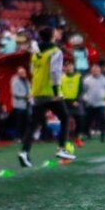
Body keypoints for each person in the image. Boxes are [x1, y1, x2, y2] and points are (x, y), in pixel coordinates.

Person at [19, 27, 75, 167]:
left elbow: (33, 70)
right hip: (49, 92)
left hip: (37, 92)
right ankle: (62, 149)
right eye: (55, 32)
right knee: (65, 117)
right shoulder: (55, 51)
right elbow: (55, 72)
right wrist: (57, 92)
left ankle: (24, 152)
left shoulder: (35, 52)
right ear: (52, 36)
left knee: (33, 125)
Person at [83, 63, 105, 143]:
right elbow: (83, 91)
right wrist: (86, 98)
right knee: (88, 120)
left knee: (103, 119)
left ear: (100, 70)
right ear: (91, 71)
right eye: (94, 70)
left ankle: (103, 136)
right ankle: (87, 134)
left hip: (101, 103)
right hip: (90, 104)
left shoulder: (104, 79)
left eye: (97, 69)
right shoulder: (86, 80)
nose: (95, 71)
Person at [60, 60, 86, 146]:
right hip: (65, 102)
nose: (68, 68)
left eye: (70, 65)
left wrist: (77, 100)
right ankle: (64, 140)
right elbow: (59, 90)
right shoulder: (61, 78)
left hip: (76, 102)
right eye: (66, 66)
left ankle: (76, 137)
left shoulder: (78, 76)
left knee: (80, 120)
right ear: (64, 68)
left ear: (73, 67)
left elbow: (81, 89)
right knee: (65, 121)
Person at [10, 67, 32, 142]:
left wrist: (30, 95)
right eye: (21, 72)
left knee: (26, 122)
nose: (23, 74)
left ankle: (24, 137)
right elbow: (15, 93)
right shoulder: (15, 80)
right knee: (19, 122)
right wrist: (25, 95)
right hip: (19, 105)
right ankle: (18, 137)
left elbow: (30, 90)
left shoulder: (26, 81)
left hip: (27, 105)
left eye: (24, 72)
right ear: (18, 73)